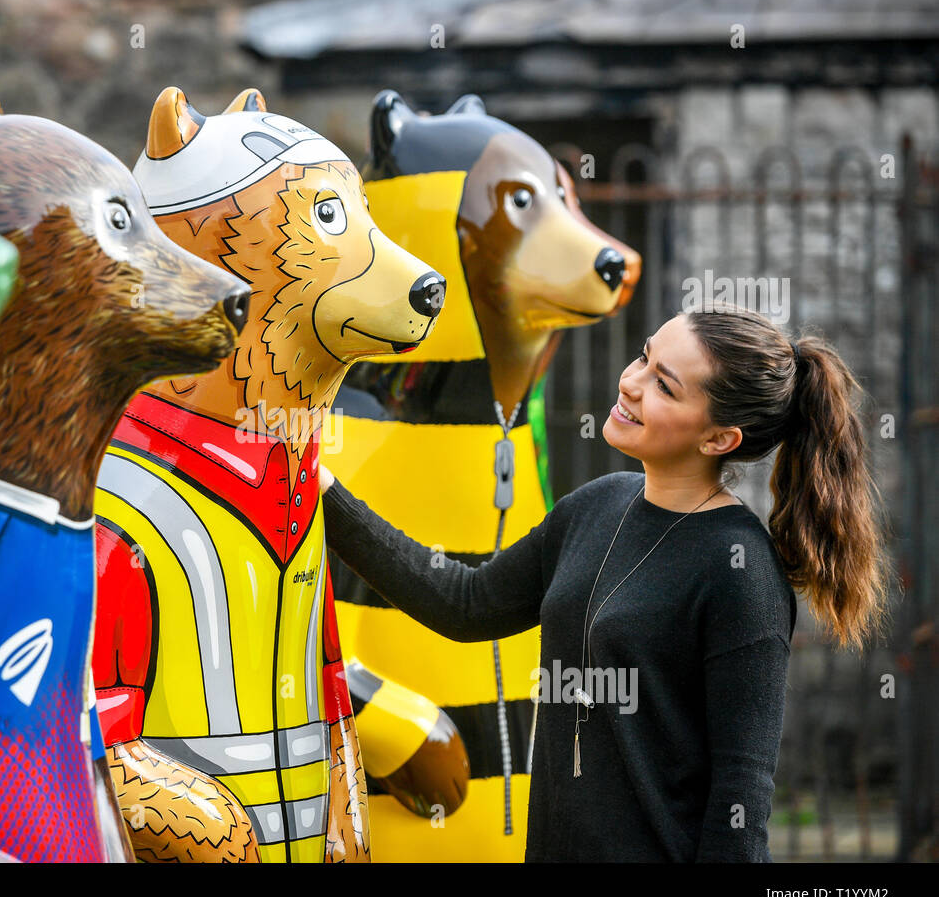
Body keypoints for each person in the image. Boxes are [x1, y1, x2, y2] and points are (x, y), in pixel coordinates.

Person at [321, 304, 894, 861]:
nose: (632, 383)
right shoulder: (595, 505)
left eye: (666, 387)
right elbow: (466, 605)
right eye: (644, 358)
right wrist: (320, 490)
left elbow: (739, 799)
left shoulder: (738, 569)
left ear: (719, 439)